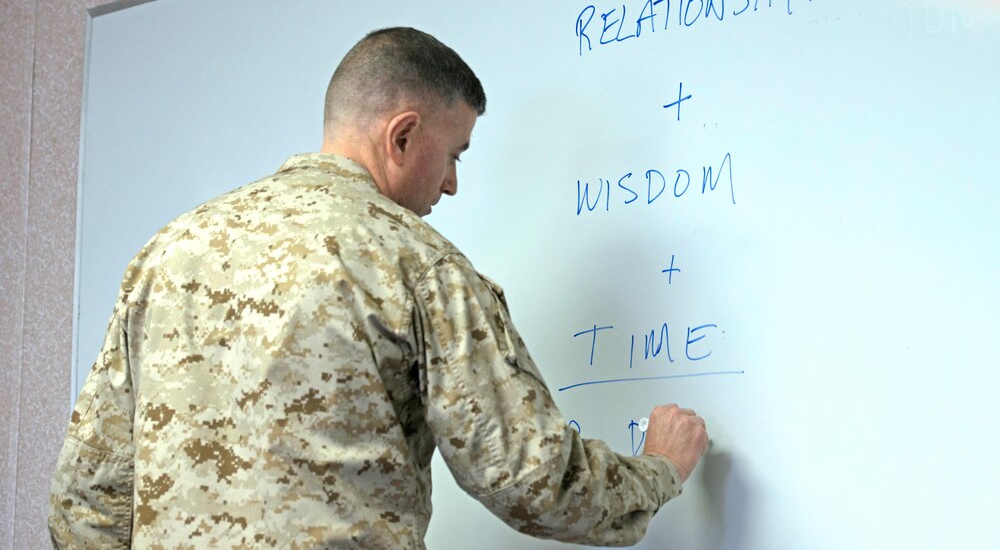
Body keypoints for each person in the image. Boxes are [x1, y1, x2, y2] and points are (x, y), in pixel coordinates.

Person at [48, 27, 709, 548]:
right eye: (454, 155)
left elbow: (87, 498)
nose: (451, 184)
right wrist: (658, 472)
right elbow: (531, 480)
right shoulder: (418, 266)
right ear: (403, 134)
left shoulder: (169, 253)